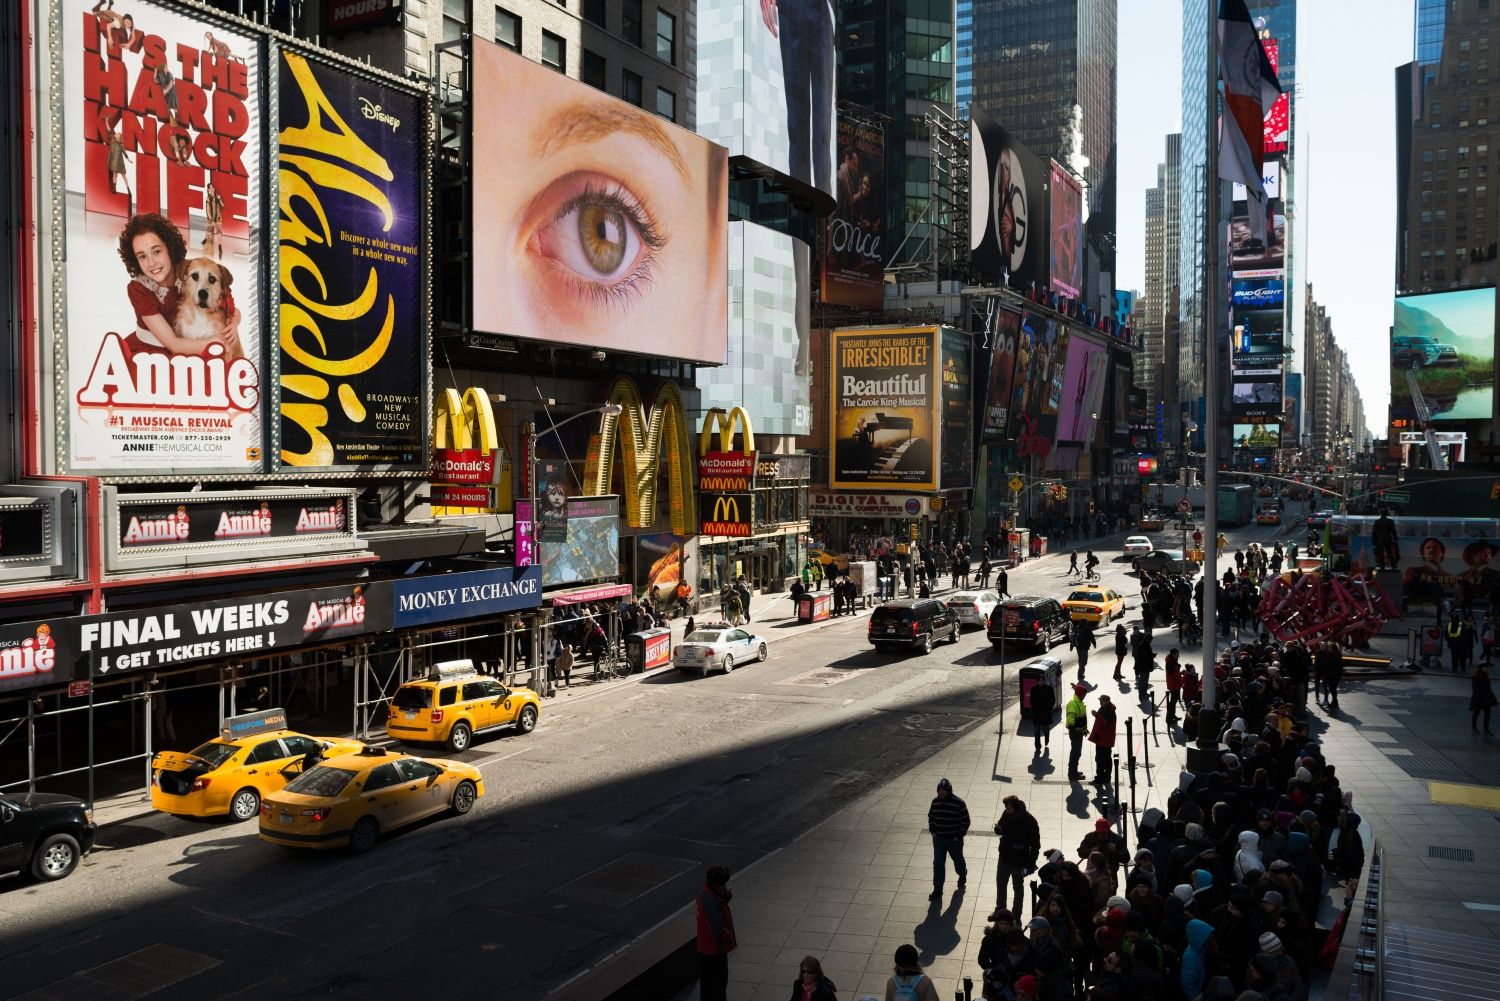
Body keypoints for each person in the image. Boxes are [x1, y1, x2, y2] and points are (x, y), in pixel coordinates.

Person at [992, 795, 1041, 920]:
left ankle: (1016, 916)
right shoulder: (1006, 814)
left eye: (1009, 808)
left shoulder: (1030, 821)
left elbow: (1035, 845)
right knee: (1001, 884)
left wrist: (1031, 864)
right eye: (1006, 808)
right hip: (1004, 858)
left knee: (1017, 888)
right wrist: (998, 829)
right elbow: (1001, 825)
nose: (1007, 810)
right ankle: (1000, 911)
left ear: (1016, 807)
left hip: (1019, 861)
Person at [695, 865, 737, 1001]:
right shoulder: (712, 902)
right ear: (717, 885)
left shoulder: (704, 894)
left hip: (705, 949)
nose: (725, 886)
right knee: (718, 985)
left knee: (707, 985)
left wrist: (725, 897)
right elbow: (717, 929)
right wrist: (730, 937)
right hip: (715, 951)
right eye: (724, 884)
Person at [927, 777, 970, 899]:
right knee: (938, 864)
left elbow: (966, 821)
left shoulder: (958, 803)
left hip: (954, 841)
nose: (941, 792)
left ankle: (962, 874)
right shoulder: (935, 802)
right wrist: (933, 831)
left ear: (949, 790)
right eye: (940, 790)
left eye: (944, 790)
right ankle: (938, 890)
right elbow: (931, 817)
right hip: (939, 840)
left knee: (958, 862)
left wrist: (959, 836)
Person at [1089, 695, 1117, 787]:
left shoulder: (1108, 710)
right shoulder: (1108, 709)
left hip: (1103, 740)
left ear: (1106, 701)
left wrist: (1096, 715)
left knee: (1100, 760)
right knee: (1106, 759)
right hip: (1105, 739)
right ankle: (1106, 778)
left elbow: (1105, 723)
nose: (1100, 702)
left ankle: (1099, 780)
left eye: (1101, 700)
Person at [1065, 683, 1089, 782]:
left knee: (1077, 753)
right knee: (1075, 753)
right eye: (1083, 694)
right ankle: (1072, 774)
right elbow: (1071, 719)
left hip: (1079, 732)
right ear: (1079, 693)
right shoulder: (1073, 703)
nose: (1084, 696)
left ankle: (1074, 771)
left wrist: (1084, 730)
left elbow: (1082, 718)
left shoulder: (1080, 702)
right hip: (1075, 733)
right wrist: (1074, 729)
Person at [1030, 674, 1057, 753]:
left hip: (1045, 713)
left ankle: (1046, 738)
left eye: (1042, 680)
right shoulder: (1034, 689)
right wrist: (1034, 709)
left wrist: (1049, 708)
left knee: (1045, 729)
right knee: (1036, 731)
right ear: (1037, 681)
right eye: (1039, 680)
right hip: (1037, 713)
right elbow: (1031, 700)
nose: (1041, 682)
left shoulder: (1049, 688)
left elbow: (1053, 699)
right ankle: (1037, 747)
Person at [1472, 661, 1497, 734]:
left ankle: (1486, 729)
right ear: (1481, 668)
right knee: (1476, 713)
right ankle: (1474, 728)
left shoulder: (1486, 676)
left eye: (1486, 667)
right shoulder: (1476, 676)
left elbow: (1489, 688)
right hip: (1479, 698)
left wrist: (1493, 697)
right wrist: (1478, 697)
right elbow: (1475, 689)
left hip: (1486, 698)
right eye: (1485, 667)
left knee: (1487, 713)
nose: (1486, 669)